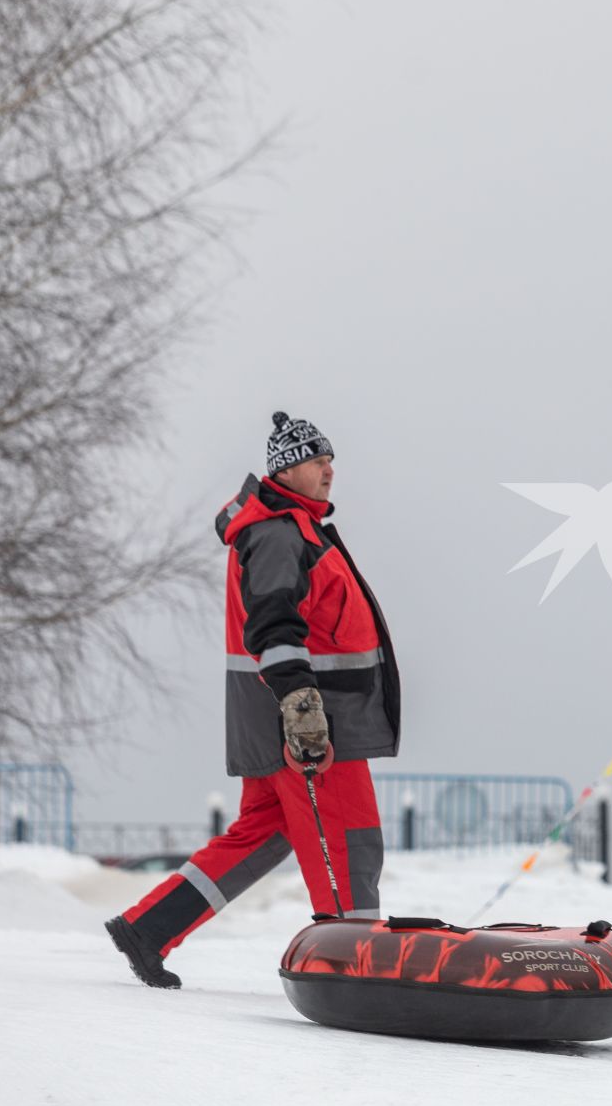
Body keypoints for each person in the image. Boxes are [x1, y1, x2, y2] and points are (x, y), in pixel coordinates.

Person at [106, 412, 402, 989]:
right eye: (318, 460)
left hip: (281, 720)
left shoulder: (291, 528)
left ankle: (148, 928)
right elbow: (273, 627)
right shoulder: (277, 534)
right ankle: (351, 968)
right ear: (286, 468)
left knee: (262, 835)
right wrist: (301, 711)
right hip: (312, 727)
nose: (329, 470)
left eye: (330, 459)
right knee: (346, 837)